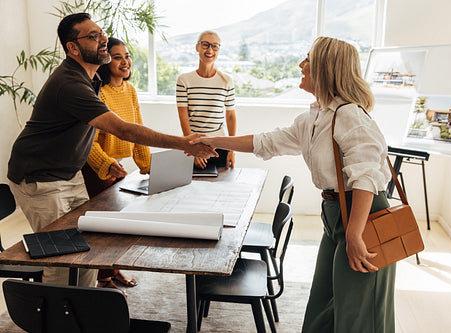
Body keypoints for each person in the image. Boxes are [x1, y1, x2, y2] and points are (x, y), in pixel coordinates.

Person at [190, 36, 396, 332]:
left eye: (308, 59)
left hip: (363, 218)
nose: (302, 65)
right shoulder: (315, 117)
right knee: (323, 305)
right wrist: (213, 140)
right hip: (336, 215)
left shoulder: (350, 114)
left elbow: (367, 178)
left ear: (327, 68)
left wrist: (354, 233)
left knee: (357, 314)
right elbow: (267, 141)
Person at [7, 13, 215, 288]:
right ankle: (56, 319)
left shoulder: (90, 79)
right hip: (40, 179)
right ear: (72, 47)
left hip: (69, 175)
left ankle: (80, 311)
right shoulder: (70, 84)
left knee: (86, 253)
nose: (103, 39)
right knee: (59, 259)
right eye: (93, 36)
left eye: (102, 33)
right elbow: (124, 130)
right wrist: (185, 142)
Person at [81, 37, 146, 293]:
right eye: (117, 57)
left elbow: (137, 130)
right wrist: (107, 164)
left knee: (121, 221)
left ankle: (112, 270)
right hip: (98, 166)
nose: (125, 61)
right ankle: (104, 279)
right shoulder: (99, 93)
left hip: (117, 166)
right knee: (108, 225)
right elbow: (90, 141)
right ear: (107, 62)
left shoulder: (129, 91)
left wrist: (147, 164)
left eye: (127, 56)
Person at [176, 30, 236, 170]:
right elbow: (183, 116)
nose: (210, 50)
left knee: (221, 187)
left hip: (220, 145)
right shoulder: (184, 80)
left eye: (215, 46)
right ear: (197, 47)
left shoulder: (227, 81)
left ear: (218, 49)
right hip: (194, 144)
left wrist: (232, 149)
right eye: (205, 45)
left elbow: (231, 116)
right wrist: (191, 147)